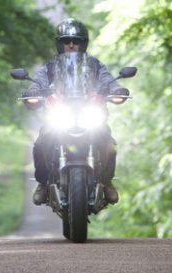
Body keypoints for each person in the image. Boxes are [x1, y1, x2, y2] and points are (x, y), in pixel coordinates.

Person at [23, 18, 129, 205]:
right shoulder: (50, 67)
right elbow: (38, 83)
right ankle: (43, 184)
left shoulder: (94, 65)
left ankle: (107, 181)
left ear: (83, 44)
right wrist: (33, 92)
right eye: (66, 41)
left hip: (89, 115)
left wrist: (116, 89)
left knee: (108, 139)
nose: (71, 44)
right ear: (60, 44)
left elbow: (108, 81)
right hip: (59, 115)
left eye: (76, 41)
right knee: (41, 141)